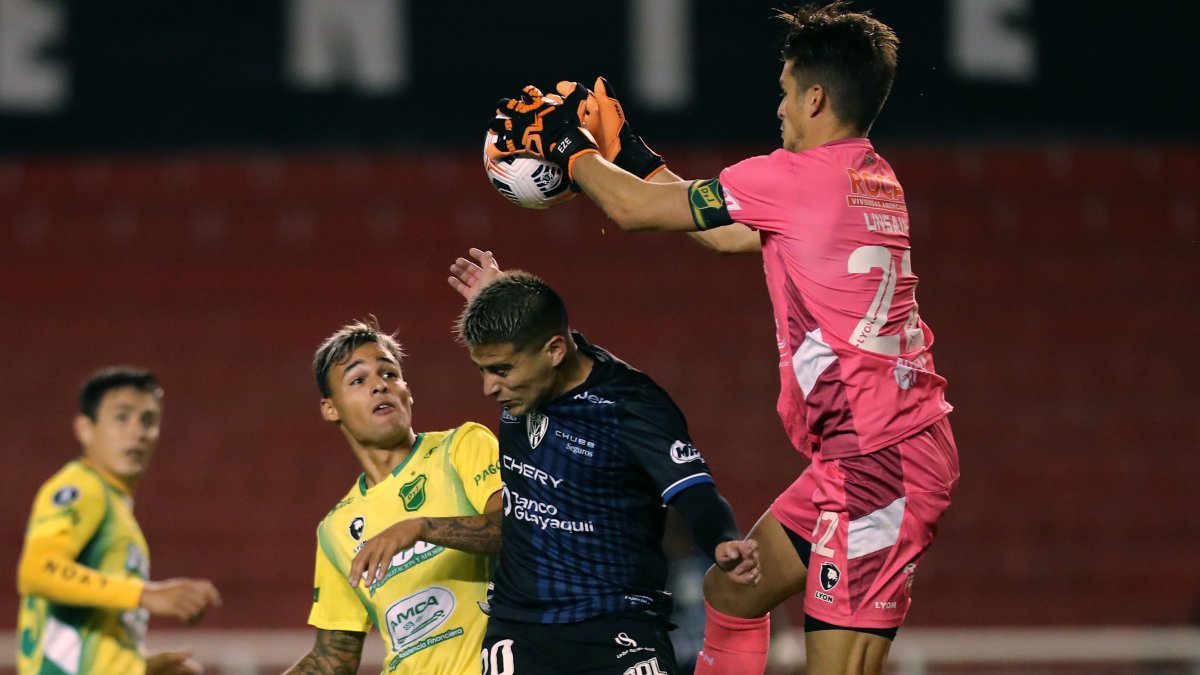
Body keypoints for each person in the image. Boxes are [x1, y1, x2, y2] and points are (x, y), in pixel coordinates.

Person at [484, 3, 961, 674]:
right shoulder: (869, 177)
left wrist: (566, 140)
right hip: (862, 456)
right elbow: (720, 230)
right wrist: (626, 152)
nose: (780, 108)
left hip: (881, 464)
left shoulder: (795, 178)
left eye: (786, 92)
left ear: (816, 96)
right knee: (734, 589)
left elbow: (632, 211)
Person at [445, 249, 759, 675]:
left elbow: (694, 490)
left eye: (500, 370)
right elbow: (540, 319)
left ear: (554, 350)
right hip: (520, 629)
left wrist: (722, 539)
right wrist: (504, 294)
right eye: (482, 370)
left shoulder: (631, 406)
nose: (489, 388)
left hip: (617, 624)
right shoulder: (532, 369)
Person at [286, 318, 503, 675]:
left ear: (407, 390)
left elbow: (519, 529)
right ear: (331, 408)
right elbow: (333, 658)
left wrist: (422, 527)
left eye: (389, 374)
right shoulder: (336, 529)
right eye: (358, 380)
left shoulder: (460, 448)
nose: (379, 386)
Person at [16, 367, 222, 675]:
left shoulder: (117, 510)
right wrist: (145, 594)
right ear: (86, 428)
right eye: (121, 417)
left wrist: (141, 668)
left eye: (148, 421)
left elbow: (87, 639)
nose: (137, 431)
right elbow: (37, 570)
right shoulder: (80, 487)